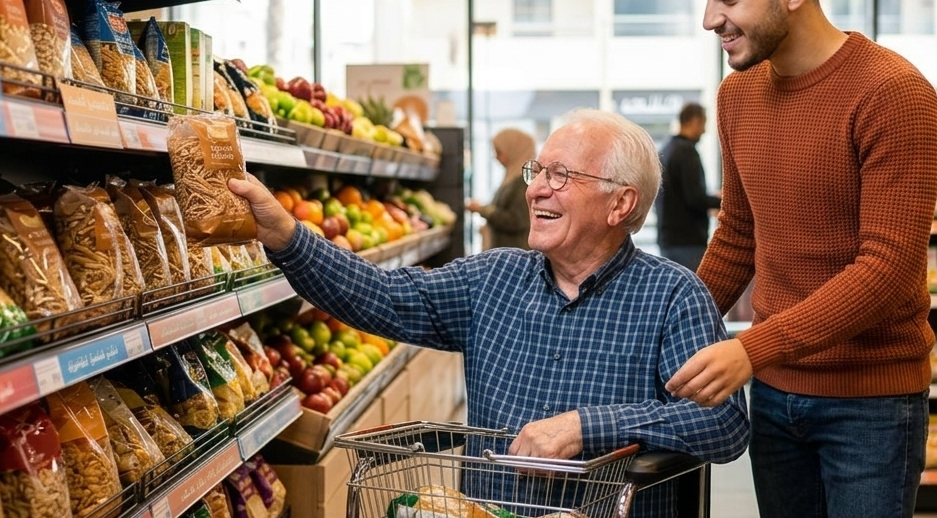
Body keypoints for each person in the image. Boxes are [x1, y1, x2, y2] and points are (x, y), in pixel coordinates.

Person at [230, 109, 749, 517]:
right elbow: (381, 295)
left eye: (561, 175)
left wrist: (587, 427)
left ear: (620, 205)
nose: (535, 188)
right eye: (537, 171)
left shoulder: (672, 296)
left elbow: (723, 424)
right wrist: (286, 236)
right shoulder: (493, 278)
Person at [664, 0, 937, 518]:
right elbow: (738, 236)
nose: (710, 19)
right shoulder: (737, 97)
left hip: (871, 405)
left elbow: (887, 268)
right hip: (775, 395)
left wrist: (751, 349)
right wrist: (666, 328)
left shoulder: (892, 93)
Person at [655, 102, 720, 270]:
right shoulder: (686, 152)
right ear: (695, 121)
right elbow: (694, 198)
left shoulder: (667, 150)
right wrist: (723, 201)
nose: (704, 131)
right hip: (688, 242)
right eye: (704, 124)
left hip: (669, 239)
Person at [465, 128, 535, 250]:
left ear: (514, 150)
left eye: (499, 151)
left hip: (515, 253)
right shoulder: (512, 178)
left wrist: (483, 210)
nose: (496, 156)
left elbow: (517, 220)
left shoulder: (524, 182)